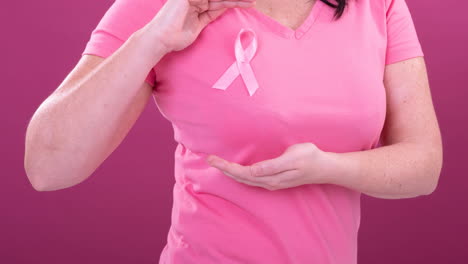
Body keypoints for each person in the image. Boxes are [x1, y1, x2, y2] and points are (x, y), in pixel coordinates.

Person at [24, 0, 443, 263]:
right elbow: (48, 167)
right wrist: (152, 39)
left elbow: (423, 165)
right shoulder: (163, 4)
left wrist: (327, 167)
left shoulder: (378, 6)